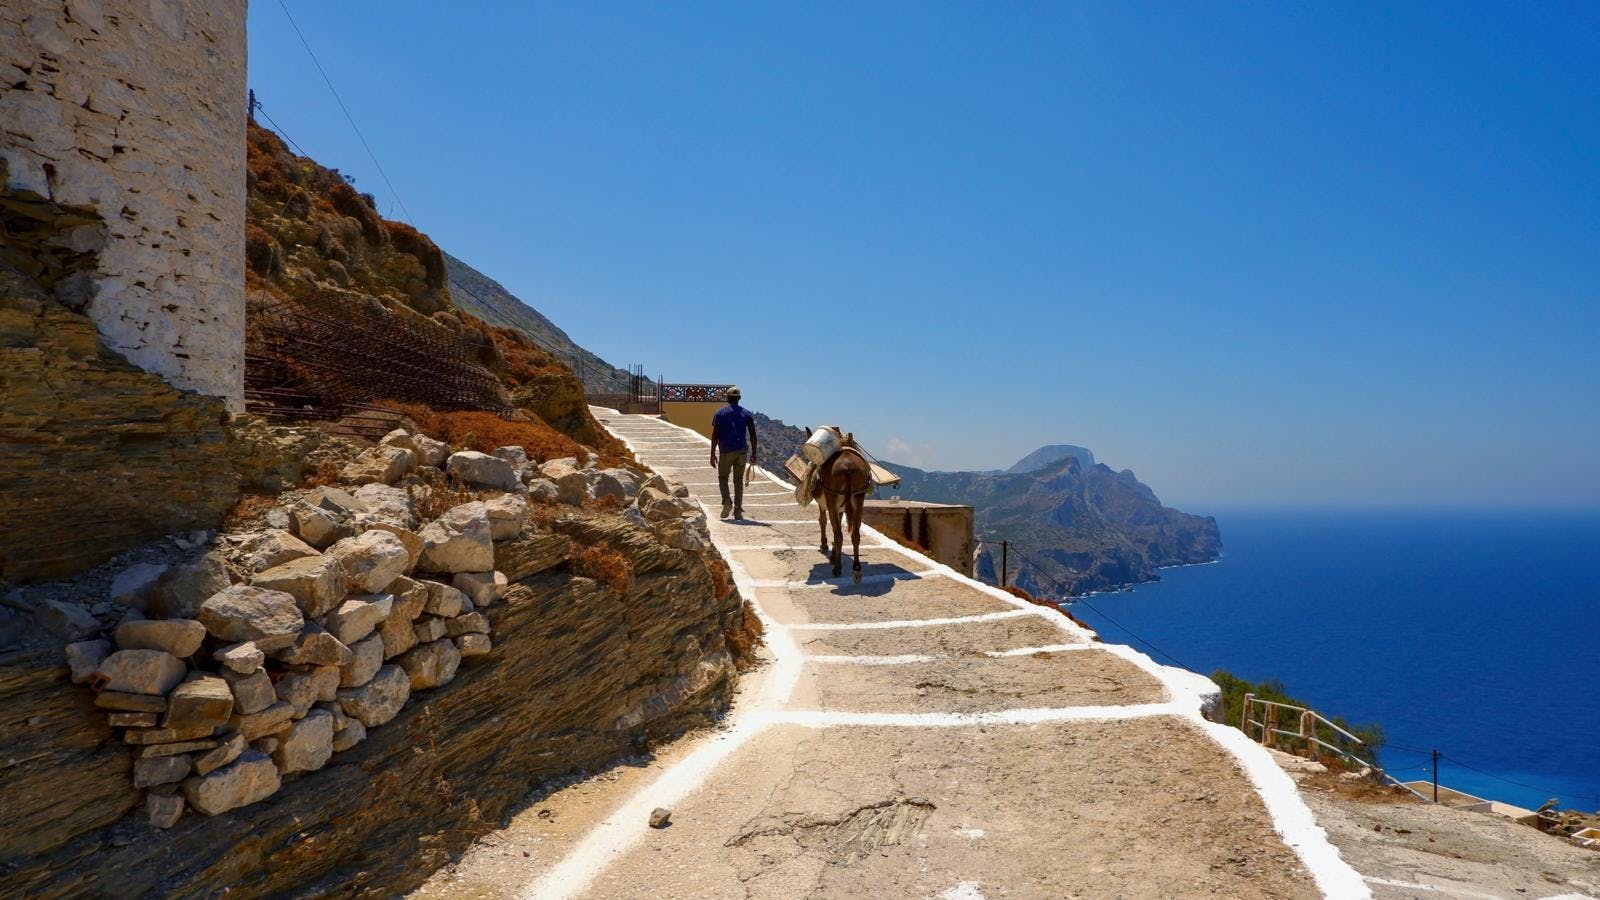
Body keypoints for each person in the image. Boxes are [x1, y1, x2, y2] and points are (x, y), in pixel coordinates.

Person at [710, 385, 758, 519]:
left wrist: (712, 454)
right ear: (740, 398)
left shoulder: (719, 413)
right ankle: (737, 511)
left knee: (723, 477)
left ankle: (726, 502)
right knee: (738, 481)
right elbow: (753, 435)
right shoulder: (747, 414)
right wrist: (754, 453)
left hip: (726, 451)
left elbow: (715, 435)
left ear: (727, 398)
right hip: (741, 451)